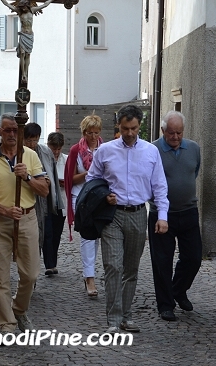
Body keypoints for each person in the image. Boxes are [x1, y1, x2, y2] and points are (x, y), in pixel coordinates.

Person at [86, 104, 169, 333]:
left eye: (133, 128)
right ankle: (113, 319)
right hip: (112, 215)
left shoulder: (151, 152)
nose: (130, 133)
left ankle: (126, 315)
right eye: (125, 128)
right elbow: (92, 181)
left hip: (138, 215)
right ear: (118, 126)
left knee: (130, 269)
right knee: (113, 266)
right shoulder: (105, 151)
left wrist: (162, 216)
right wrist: (105, 196)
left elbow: (160, 186)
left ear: (140, 126)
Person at [0, 113, 49, 334]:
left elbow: (45, 191)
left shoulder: (31, 156)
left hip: (27, 219)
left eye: (14, 130)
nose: (11, 134)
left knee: (31, 274)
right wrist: (4, 210)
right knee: (0, 277)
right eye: (6, 130)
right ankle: (5, 325)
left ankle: (18, 309)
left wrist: (27, 177)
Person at [149, 111, 202, 322]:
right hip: (161, 214)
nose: (176, 137)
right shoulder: (152, 150)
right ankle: (165, 304)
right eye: (171, 133)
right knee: (162, 261)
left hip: (188, 211)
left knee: (194, 257)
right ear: (163, 131)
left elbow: (194, 172)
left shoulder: (194, 148)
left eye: (179, 132)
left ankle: (178, 290)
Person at [64, 114, 103, 298]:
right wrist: (89, 173)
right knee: (88, 236)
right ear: (84, 132)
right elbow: (70, 179)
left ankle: (89, 271)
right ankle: (90, 277)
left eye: (96, 132)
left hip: (99, 197)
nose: (93, 136)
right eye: (89, 133)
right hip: (80, 197)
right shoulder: (75, 151)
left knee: (96, 236)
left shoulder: (106, 149)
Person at [23, 123, 64, 275]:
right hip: (27, 199)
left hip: (44, 201)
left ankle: (47, 265)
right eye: (29, 140)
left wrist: (55, 200)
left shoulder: (45, 152)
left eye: (35, 140)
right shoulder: (21, 152)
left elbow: (51, 175)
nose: (32, 144)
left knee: (47, 234)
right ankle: (30, 273)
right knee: (31, 239)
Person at [0, 0, 58, 84]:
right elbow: (7, 4)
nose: (22, 8)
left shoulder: (32, 10)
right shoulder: (19, 12)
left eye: (23, 7)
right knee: (22, 54)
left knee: (28, 54)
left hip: (30, 35)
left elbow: (45, 4)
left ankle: (26, 73)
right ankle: (23, 74)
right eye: (21, 7)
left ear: (27, 6)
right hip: (23, 35)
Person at [44, 131, 68, 275]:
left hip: (61, 201)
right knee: (47, 233)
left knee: (56, 233)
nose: (56, 152)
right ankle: (49, 264)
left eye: (58, 149)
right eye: (54, 148)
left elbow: (71, 178)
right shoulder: (43, 158)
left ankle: (53, 261)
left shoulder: (66, 159)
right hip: (46, 201)